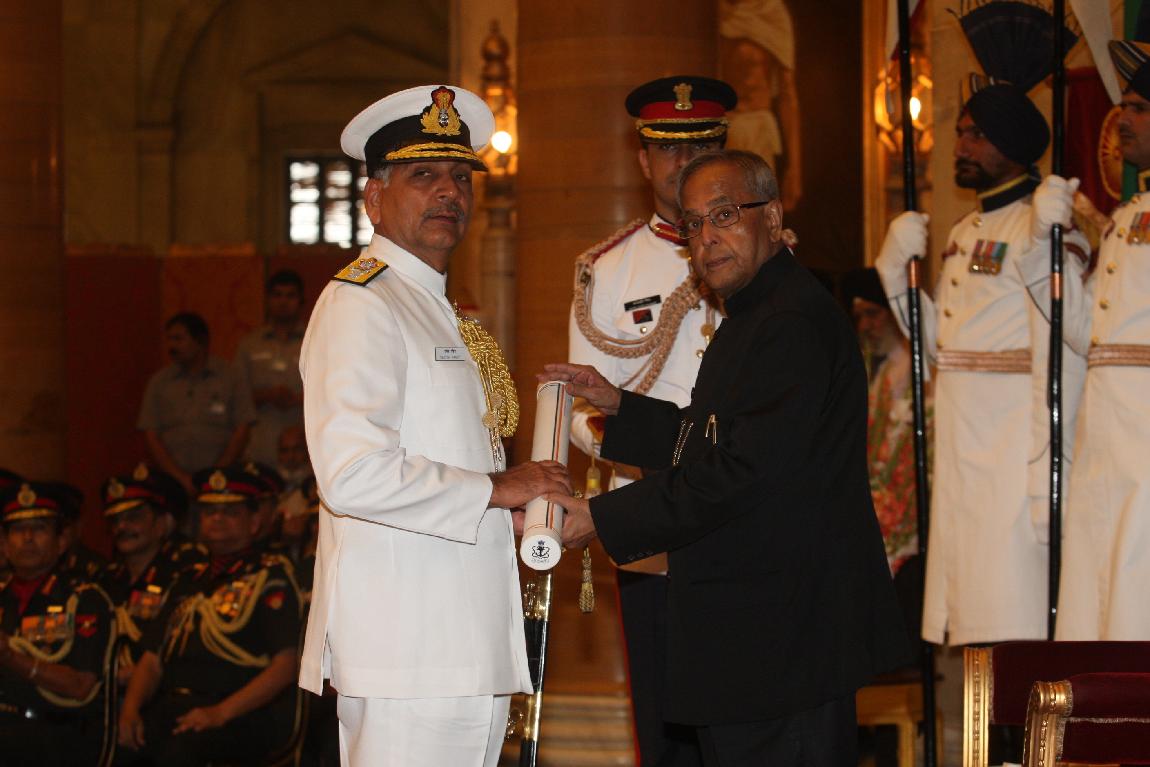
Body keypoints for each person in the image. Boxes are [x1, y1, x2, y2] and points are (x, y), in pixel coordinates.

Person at [544, 150, 907, 766]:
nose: (706, 238)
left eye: (725, 215)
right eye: (693, 224)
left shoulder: (788, 320)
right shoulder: (755, 311)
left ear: (774, 218)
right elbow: (716, 438)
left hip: (783, 640)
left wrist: (600, 516)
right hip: (756, 638)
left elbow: (739, 471)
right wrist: (621, 406)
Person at [298, 84, 571, 767]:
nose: (449, 191)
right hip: (408, 650)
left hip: (459, 642)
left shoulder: (432, 305)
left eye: (460, 176)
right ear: (374, 199)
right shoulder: (362, 304)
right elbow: (353, 474)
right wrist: (497, 488)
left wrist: (503, 511)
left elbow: (442, 458)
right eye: (423, 175)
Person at [874, 67, 1092, 646]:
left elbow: (1064, 351)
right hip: (961, 450)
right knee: (971, 616)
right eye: (961, 133)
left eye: (978, 135)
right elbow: (940, 350)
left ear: (1013, 146)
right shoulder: (966, 229)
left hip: (1013, 451)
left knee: (1014, 616)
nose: (961, 146)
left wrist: (1048, 466)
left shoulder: (1041, 224)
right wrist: (894, 275)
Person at [568, 74, 735, 767]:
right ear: (642, 159)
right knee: (667, 725)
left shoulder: (762, 254)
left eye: (701, 146)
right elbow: (580, 408)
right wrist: (662, 464)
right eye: (669, 148)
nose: (684, 161)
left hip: (744, 517)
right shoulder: (608, 270)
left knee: (746, 712)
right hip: (654, 512)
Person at [1057, 38, 1150, 640]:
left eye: (1139, 108)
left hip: (1145, 437)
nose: (1124, 120)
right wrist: (1050, 255)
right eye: (1123, 107)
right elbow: (1086, 336)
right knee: (1101, 589)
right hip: (1106, 439)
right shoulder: (1125, 219)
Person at [117, 466, 303, 766]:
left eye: (230, 512)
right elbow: (152, 659)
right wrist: (130, 710)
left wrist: (219, 713)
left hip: (238, 713)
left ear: (254, 521)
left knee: (179, 755)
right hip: (173, 706)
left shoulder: (270, 577)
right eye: (209, 511)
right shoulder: (188, 579)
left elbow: (286, 665)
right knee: (119, 749)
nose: (217, 518)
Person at [0, 482, 117, 767]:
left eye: (39, 529)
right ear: (3, 545)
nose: (28, 538)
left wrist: (10, 656)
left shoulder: (84, 600)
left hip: (55, 738)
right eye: (18, 530)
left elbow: (80, 686)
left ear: (61, 541)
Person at [100, 464, 205, 684]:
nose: (122, 527)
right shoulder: (106, 577)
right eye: (115, 520)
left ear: (162, 523)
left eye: (133, 518)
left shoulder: (186, 570)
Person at [138, 312, 257, 494]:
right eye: (169, 339)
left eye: (178, 339)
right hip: (171, 482)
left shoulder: (230, 377)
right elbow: (150, 434)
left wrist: (214, 474)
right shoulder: (159, 382)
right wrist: (179, 477)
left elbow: (243, 429)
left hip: (222, 480)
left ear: (200, 341)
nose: (172, 346)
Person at [235, 270, 306, 466]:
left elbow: (331, 392)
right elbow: (236, 397)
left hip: (305, 446)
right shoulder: (249, 345)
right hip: (261, 445)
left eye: (290, 296)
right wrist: (266, 395)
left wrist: (297, 398)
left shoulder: (315, 341)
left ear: (301, 301)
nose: (283, 302)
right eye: (277, 295)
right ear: (267, 300)